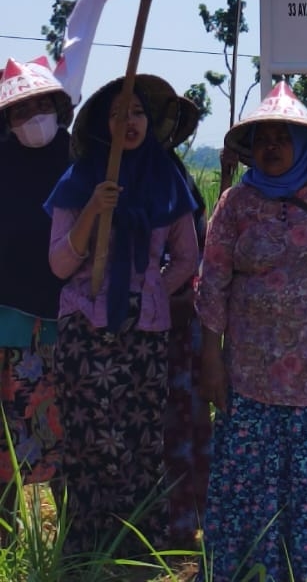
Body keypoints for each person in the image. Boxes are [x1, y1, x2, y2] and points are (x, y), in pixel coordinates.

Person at [198, 82, 307, 582]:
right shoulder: (235, 203)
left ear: (303, 145)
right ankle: (250, 569)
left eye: (282, 136)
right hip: (251, 375)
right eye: (263, 138)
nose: (271, 146)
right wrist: (211, 360)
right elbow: (211, 284)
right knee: (251, 479)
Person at [46, 75, 200, 554]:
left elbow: (188, 257)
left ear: (149, 123)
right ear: (102, 125)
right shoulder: (78, 181)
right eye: (117, 114)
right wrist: (93, 209)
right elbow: (59, 264)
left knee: (138, 440)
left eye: (136, 112)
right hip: (83, 326)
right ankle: (86, 544)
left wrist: (151, 287)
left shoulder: (166, 180)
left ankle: (135, 543)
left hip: (145, 330)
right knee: (87, 437)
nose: (128, 122)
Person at [0, 58, 72, 529]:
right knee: (5, 436)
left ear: (61, 110)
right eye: (22, 110)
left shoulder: (82, 160)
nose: (34, 118)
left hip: (73, 320)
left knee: (69, 433)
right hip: (8, 320)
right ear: (7, 121)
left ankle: (73, 535)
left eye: (43, 105)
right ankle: (5, 534)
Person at [162, 110, 214, 548]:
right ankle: (173, 521)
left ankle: (194, 518)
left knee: (191, 419)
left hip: (186, 315)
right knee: (165, 423)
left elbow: (198, 246)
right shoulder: (127, 177)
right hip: (148, 320)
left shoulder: (177, 175)